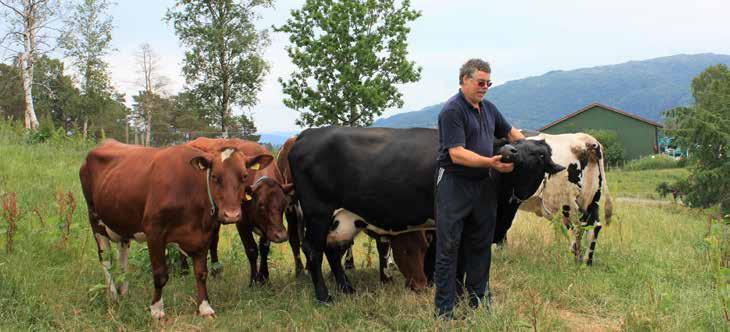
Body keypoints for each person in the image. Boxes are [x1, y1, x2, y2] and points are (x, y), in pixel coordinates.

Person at [434, 58, 525, 318]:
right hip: (454, 183)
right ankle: (444, 310)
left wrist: (531, 146)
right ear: (464, 80)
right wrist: (491, 163)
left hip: (482, 184)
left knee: (481, 245)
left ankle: (478, 302)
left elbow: (510, 133)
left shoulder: (489, 109)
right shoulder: (452, 110)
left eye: (488, 83)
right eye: (480, 82)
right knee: (449, 248)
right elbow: (457, 154)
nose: (484, 87)